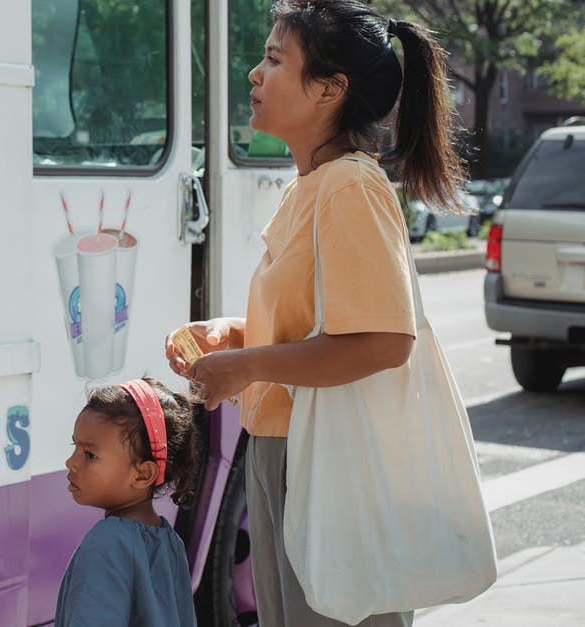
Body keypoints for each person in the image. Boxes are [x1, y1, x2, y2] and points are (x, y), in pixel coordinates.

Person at [165, 1, 468, 625]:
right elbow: (317, 332)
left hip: (326, 466)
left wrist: (245, 364)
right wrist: (234, 336)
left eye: (275, 59)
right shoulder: (312, 185)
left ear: (330, 89)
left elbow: (382, 340)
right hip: (284, 452)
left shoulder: (349, 187)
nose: (254, 73)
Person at [55, 377, 201, 627]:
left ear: (143, 474)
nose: (71, 462)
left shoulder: (106, 542)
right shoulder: (170, 541)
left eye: (90, 455)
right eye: (75, 447)